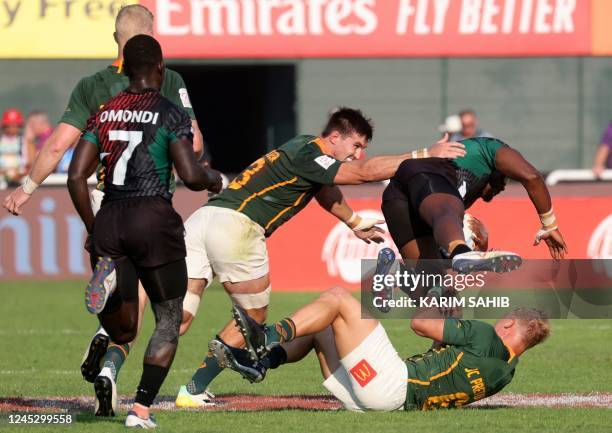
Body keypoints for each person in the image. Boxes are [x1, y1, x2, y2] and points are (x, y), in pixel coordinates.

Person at [173, 108, 508, 408]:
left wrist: (353, 221)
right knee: (253, 318)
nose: (359, 154)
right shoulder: (311, 152)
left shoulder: (301, 147)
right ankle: (232, 365)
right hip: (237, 227)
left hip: (203, 219)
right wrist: (422, 155)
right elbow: (363, 173)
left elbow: (326, 192)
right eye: (356, 146)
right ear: (334, 137)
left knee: (179, 318)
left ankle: (147, 371)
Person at [2, 4, 206, 416]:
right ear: (155, 40)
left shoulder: (93, 86)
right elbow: (195, 145)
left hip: (104, 204)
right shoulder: (170, 81)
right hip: (150, 204)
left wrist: (27, 188)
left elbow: (60, 146)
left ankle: (106, 329)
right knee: (161, 308)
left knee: (124, 309)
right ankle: (136, 400)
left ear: (117, 41)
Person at [67, 35, 221, 428]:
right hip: (153, 218)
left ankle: (110, 279)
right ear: (160, 68)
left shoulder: (103, 112)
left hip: (111, 219)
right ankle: (140, 410)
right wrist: (213, 178)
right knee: (167, 319)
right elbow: (189, 174)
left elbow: (75, 176)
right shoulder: (170, 113)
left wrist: (92, 226)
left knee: (125, 327)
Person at [214, 287, 550, 412]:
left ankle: (265, 335)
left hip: (390, 384)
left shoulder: (482, 334)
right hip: (383, 402)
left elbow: (418, 323)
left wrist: (438, 295)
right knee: (324, 326)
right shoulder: (506, 372)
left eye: (501, 320)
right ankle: (263, 362)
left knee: (338, 298)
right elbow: (444, 364)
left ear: (508, 326)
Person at [380, 137, 568, 284]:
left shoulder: (466, 193)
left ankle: (392, 275)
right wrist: (549, 225)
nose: (502, 188)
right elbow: (532, 176)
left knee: (433, 294)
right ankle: (462, 251)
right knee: (449, 216)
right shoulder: (491, 149)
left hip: (396, 198)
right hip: (423, 177)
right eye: (504, 181)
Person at [0, 109, 26, 189]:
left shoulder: (25, 141)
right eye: (8, 126)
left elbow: (30, 163)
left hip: (20, 179)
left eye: (15, 125)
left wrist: (20, 174)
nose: (11, 128)